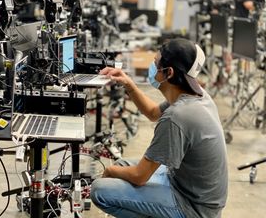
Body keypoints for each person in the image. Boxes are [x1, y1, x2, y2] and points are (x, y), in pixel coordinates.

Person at [90, 38, 228, 218]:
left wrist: (109, 171)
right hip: (186, 184)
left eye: (156, 63)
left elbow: (140, 176)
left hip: (193, 207)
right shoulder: (197, 94)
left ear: (168, 72)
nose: (152, 67)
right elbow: (154, 112)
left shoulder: (178, 116)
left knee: (100, 190)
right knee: (121, 166)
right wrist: (129, 85)